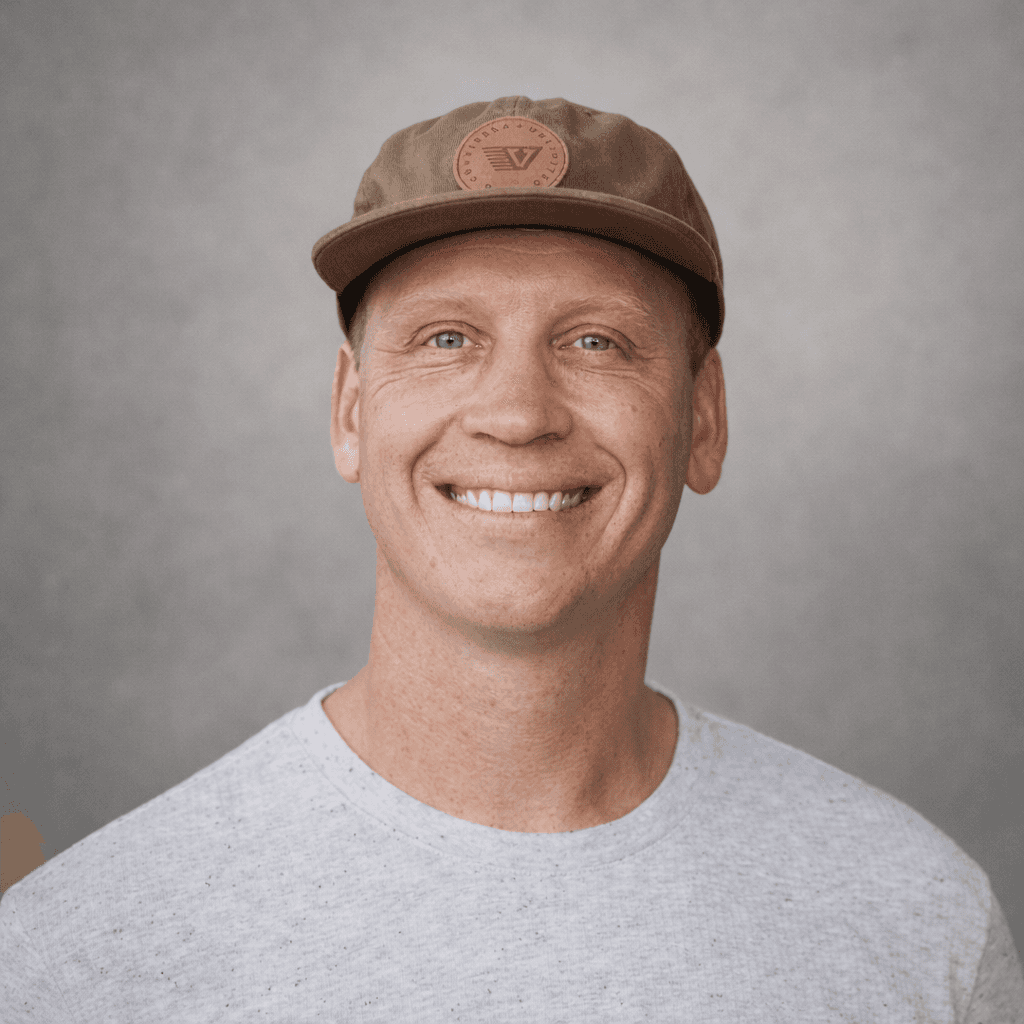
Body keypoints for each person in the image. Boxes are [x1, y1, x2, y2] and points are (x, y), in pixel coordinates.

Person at [1, 95, 1020, 1021]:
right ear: (351, 412)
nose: (518, 414)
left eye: (595, 343)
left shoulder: (918, 922)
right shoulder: (80, 956)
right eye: (446, 339)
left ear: (701, 421)